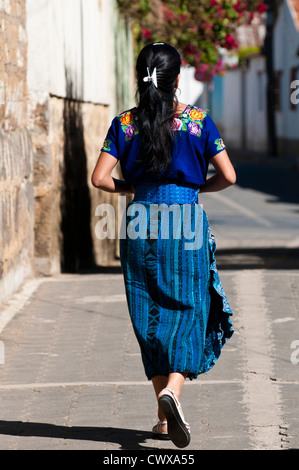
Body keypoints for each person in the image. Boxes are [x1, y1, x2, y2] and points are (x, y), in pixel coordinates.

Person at [91, 43, 236, 449]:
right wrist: (194, 189)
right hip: (186, 219)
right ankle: (173, 391)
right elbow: (229, 175)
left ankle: (162, 412)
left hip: (140, 220)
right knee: (190, 308)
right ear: (177, 78)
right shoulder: (198, 121)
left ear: (141, 76)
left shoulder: (124, 123)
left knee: (149, 311)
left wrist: (135, 186)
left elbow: (100, 179)